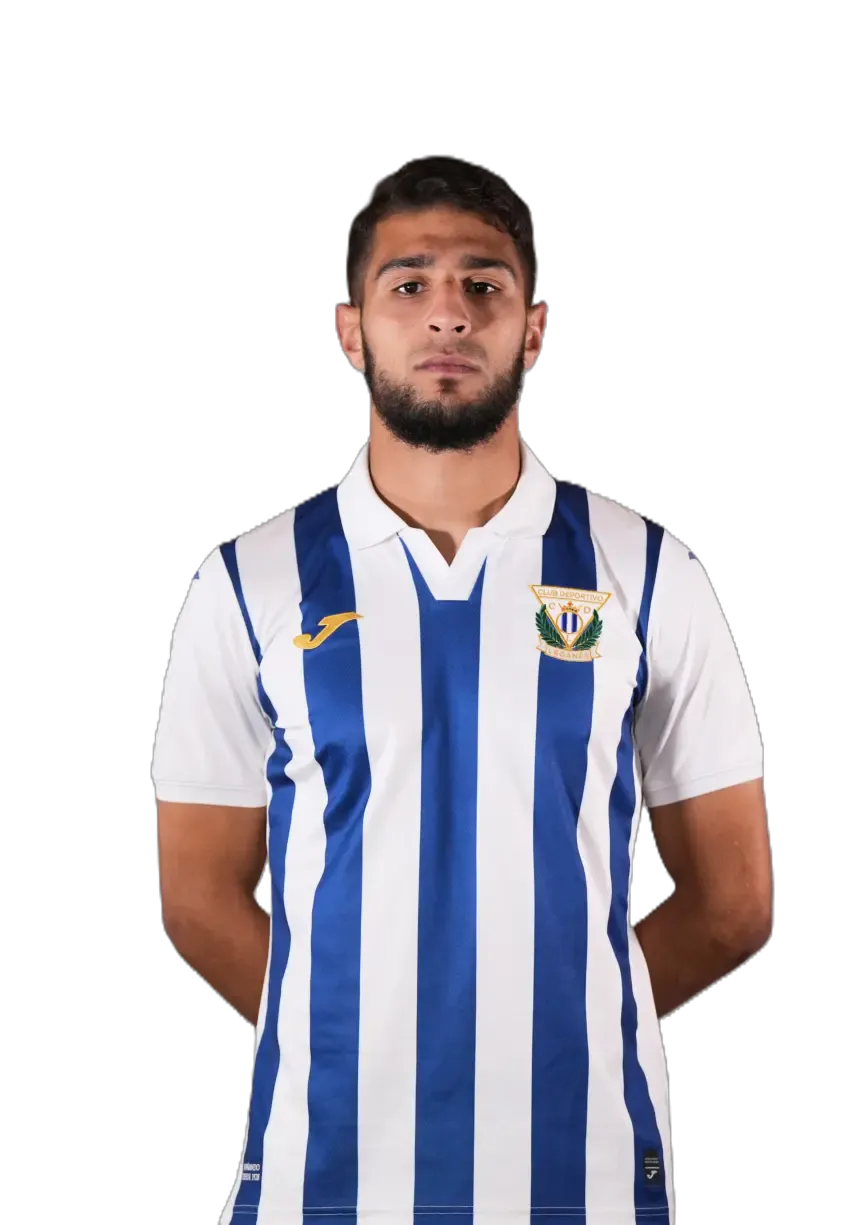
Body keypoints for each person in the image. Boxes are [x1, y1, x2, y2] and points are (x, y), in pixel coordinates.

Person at [152, 153, 772, 1225]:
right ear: (349, 329)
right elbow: (199, 897)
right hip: (324, 1181)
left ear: (534, 328)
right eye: (410, 284)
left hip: (575, 1178)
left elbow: (732, 902)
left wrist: (559, 1021)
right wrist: (368, 1037)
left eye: (483, 284)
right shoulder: (249, 585)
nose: (448, 313)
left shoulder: (645, 572)